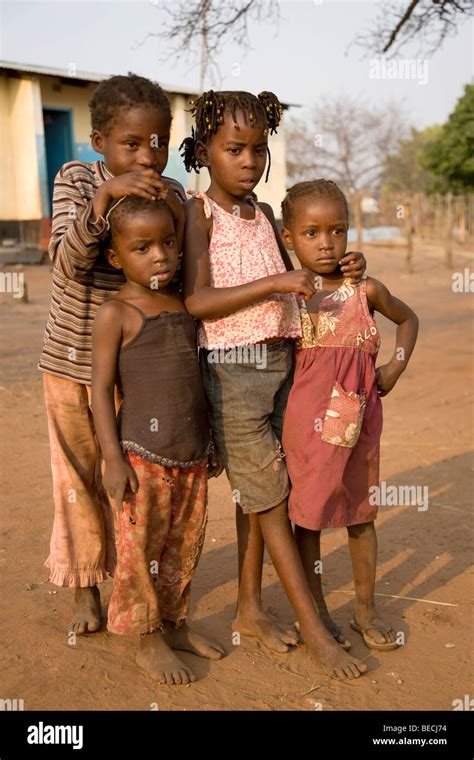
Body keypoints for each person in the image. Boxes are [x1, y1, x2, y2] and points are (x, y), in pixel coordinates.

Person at [181, 90, 368, 679]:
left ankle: (250, 609)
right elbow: (197, 300)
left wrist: (347, 265)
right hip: (233, 372)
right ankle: (315, 631)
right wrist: (271, 286)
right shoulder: (198, 213)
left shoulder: (265, 215)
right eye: (234, 148)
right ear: (204, 150)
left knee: (259, 496)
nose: (249, 160)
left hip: (285, 366)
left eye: (258, 148)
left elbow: (312, 264)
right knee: (271, 498)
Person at [38, 73, 185, 634]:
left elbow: (176, 278)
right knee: (77, 476)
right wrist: (103, 201)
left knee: (129, 477)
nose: (147, 156)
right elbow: (67, 263)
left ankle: (135, 582)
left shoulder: (168, 194)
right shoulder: (78, 179)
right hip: (71, 366)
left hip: (137, 369)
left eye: (158, 142)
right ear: (99, 140)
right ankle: (84, 584)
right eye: (132, 143)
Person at [91, 195, 225, 683]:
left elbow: (197, 377)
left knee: (181, 546)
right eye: (142, 247)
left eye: (168, 243)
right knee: (138, 549)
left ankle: (173, 624)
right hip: (139, 457)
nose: (161, 256)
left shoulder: (186, 303)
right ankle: (144, 639)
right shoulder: (117, 314)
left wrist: (209, 442)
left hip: (190, 453)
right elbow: (100, 391)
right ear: (116, 257)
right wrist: (111, 457)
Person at [281, 179, 419, 652]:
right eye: (311, 233)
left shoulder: (366, 291)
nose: (326, 243)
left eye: (337, 231)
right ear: (289, 238)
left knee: (361, 516)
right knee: (310, 519)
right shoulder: (291, 296)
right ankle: (315, 613)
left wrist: (395, 367)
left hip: (358, 423)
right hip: (306, 428)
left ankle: (366, 609)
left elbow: (408, 319)